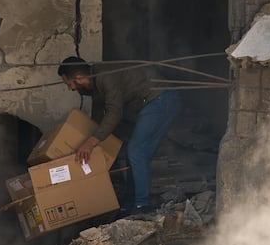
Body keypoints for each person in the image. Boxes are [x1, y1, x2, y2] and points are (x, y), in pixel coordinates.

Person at [57, 56, 181, 214]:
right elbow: (97, 117)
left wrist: (91, 142)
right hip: (151, 103)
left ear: (79, 78)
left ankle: (142, 205)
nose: (71, 89)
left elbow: (114, 112)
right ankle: (130, 202)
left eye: (70, 84)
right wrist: (88, 141)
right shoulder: (95, 83)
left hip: (160, 99)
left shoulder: (105, 76)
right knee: (133, 153)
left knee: (136, 151)